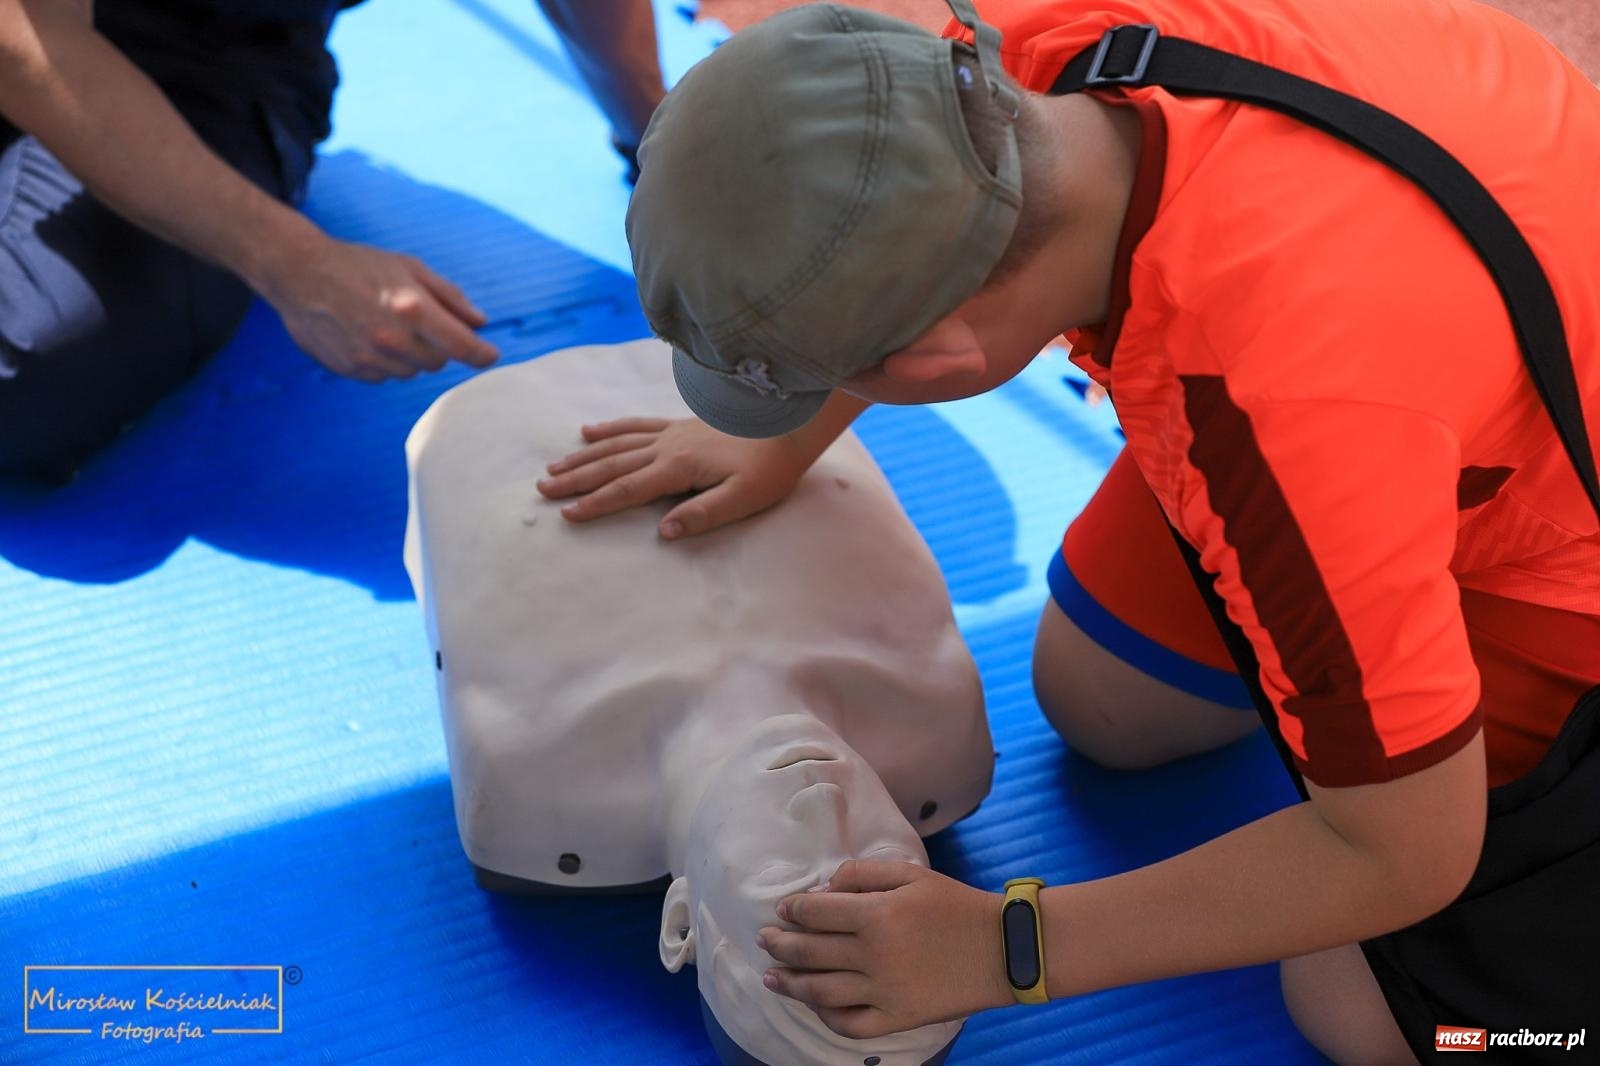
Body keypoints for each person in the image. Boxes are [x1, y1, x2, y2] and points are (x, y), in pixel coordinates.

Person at [536, 0, 1600, 1062]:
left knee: (1366, 1007)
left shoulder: (1271, 429)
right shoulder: (1043, 52)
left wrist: (1008, 946)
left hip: (1548, 534)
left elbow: (1407, 856)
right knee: (1105, 703)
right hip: (1433, 334)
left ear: (937, 363)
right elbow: (896, 195)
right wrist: (783, 436)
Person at [403, 339, 989, 1064]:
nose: (820, 802)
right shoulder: (935, 719)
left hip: (489, 413)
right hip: (781, 365)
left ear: (681, 922)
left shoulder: (529, 766)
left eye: (781, 874)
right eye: (875, 857)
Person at [0, 0, 662, 484]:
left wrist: (660, 142)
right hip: (38, 29)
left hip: (209, 54)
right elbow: (28, 39)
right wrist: (293, 260)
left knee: (20, 380)